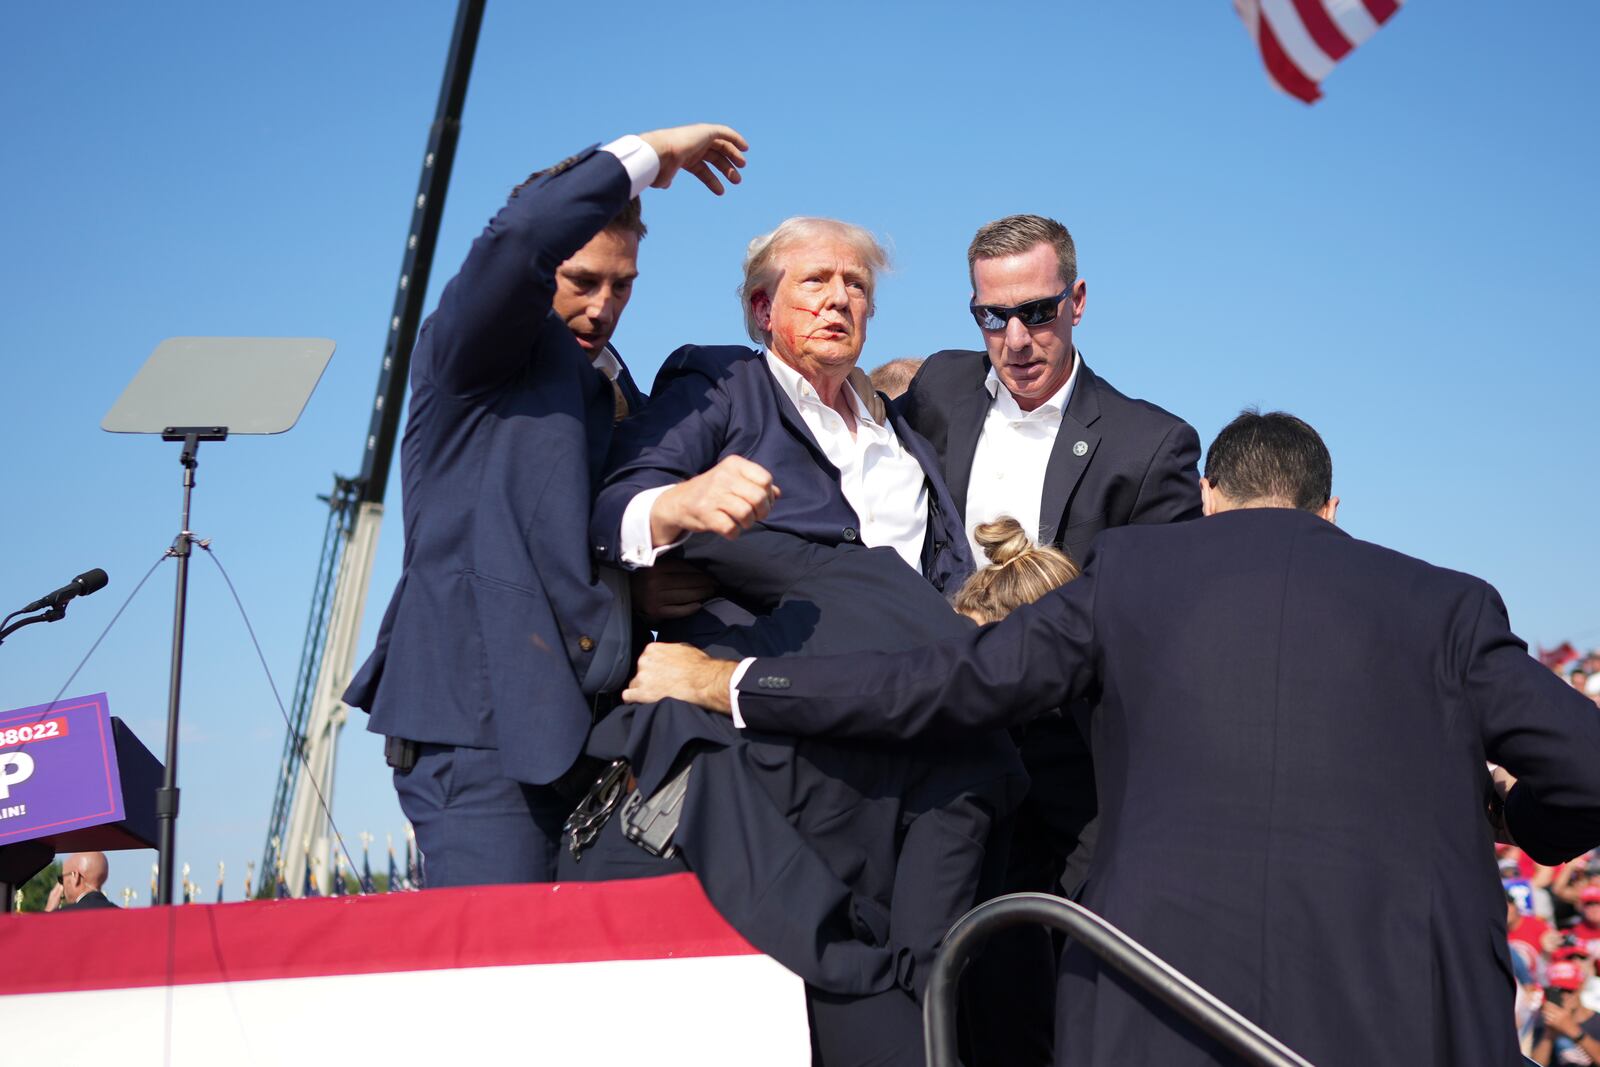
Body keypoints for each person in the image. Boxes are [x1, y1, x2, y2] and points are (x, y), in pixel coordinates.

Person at [625, 410, 1600, 1066]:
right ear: (1330, 508)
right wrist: (1512, 812)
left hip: (1152, 1005)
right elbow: (1588, 766)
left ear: (1209, 495)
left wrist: (732, 680)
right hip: (1399, 1016)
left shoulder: (1133, 573)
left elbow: (951, 683)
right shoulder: (1443, 605)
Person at [342, 122, 749, 887]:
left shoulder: (616, 388)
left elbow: (573, 535)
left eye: (622, 285)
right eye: (582, 281)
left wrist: (636, 585)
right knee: (496, 989)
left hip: (595, 738)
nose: (602, 307)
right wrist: (651, 153)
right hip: (481, 739)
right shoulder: (477, 350)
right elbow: (521, 233)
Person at [902, 213, 1203, 1064]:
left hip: (1073, 773)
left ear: (1077, 301)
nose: (1017, 338)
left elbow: (1160, 625)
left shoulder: (1152, 445)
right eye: (993, 317)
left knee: (1074, 1009)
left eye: (1037, 312)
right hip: (946, 746)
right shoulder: (936, 394)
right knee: (948, 997)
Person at [590, 216, 972, 613]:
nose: (839, 298)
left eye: (856, 284)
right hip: (765, 664)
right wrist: (667, 521)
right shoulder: (720, 385)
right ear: (763, 309)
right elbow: (616, 503)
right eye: (816, 280)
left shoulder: (901, 432)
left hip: (912, 665)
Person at [1530, 960, 1600, 1065]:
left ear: (1580, 987)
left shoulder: (1597, 1022)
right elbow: (1535, 1064)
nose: (1564, 996)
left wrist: (1572, 1030)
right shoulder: (1543, 1022)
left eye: (1569, 990)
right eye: (1558, 991)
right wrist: (1549, 1034)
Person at [45, 852, 117, 911]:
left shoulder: (63, 916)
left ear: (75, 876)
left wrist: (48, 913)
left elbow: (42, 928)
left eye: (62, 879)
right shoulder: (122, 915)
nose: (63, 885)